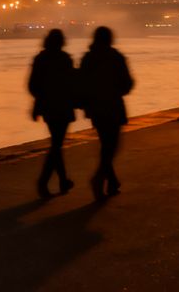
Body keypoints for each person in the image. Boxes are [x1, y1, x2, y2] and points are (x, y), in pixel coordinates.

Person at [79, 26, 133, 202]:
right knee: (112, 147)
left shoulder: (88, 58)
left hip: (96, 108)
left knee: (105, 145)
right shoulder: (116, 58)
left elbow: (82, 84)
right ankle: (98, 179)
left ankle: (112, 182)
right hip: (113, 106)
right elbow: (127, 84)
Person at [28, 29, 76, 197]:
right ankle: (43, 182)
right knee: (57, 145)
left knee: (57, 144)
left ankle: (63, 181)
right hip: (63, 106)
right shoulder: (65, 59)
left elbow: (33, 86)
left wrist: (39, 102)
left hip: (48, 107)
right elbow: (72, 84)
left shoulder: (40, 59)